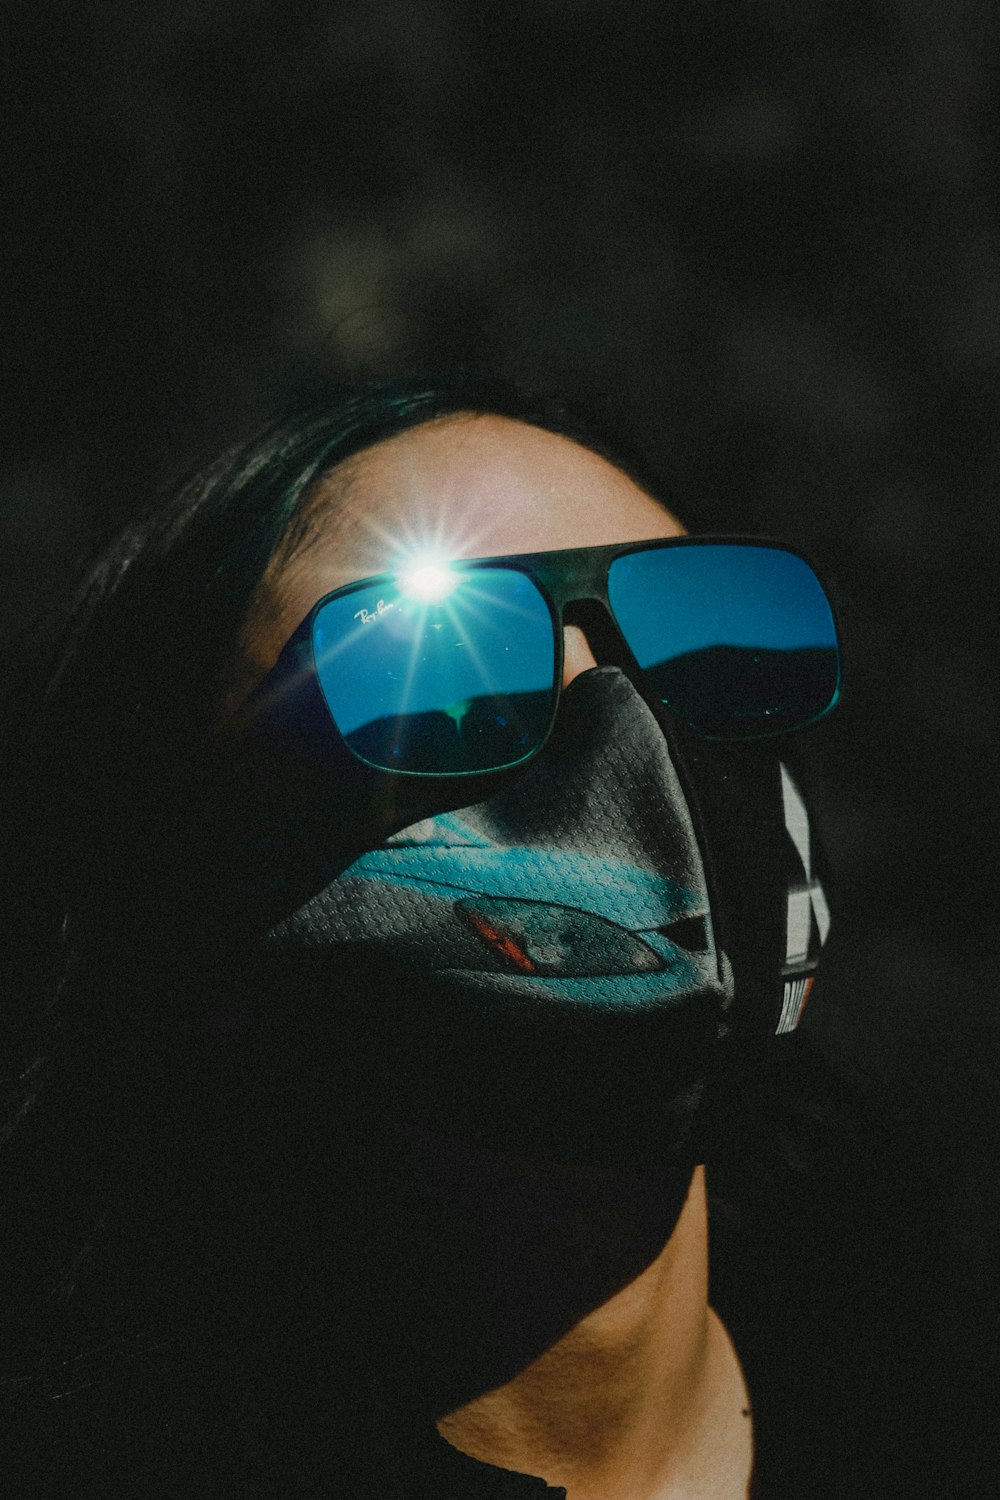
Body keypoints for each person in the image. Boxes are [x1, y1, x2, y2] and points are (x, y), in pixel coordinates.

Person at [0, 376, 949, 1497]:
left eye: (702, 642)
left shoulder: (933, 1378)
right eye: (430, 670)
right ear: (168, 836)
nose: (630, 728)